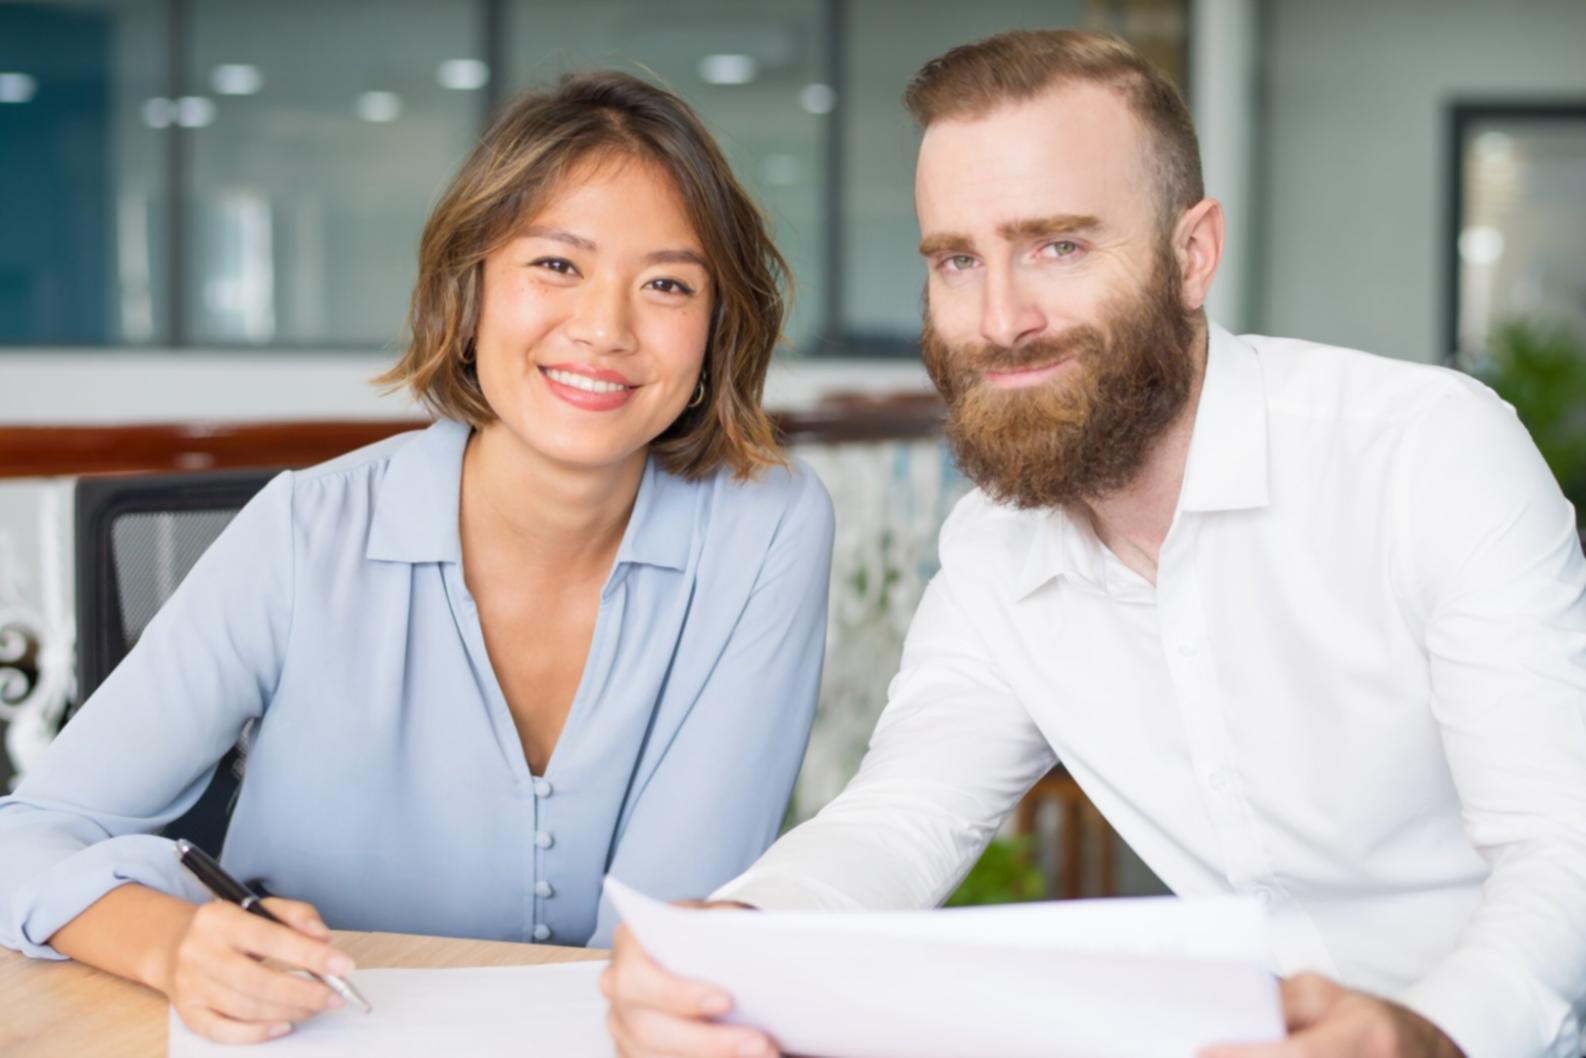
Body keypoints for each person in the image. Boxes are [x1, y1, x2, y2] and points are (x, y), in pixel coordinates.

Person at [600, 29, 1586, 1058]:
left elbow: (1561, 844)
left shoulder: (1421, 450)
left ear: (1190, 252)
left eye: (1056, 245)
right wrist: (736, 942)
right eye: (956, 259)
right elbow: (901, 815)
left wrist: (1430, 1034)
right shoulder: (995, 546)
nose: (999, 317)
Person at [0, 72, 833, 1045]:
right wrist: (172, 942)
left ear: (715, 328)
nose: (606, 327)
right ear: (469, 285)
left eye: (666, 283)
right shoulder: (306, 528)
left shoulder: (765, 527)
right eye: (556, 265)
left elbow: (663, 931)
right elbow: (26, 832)